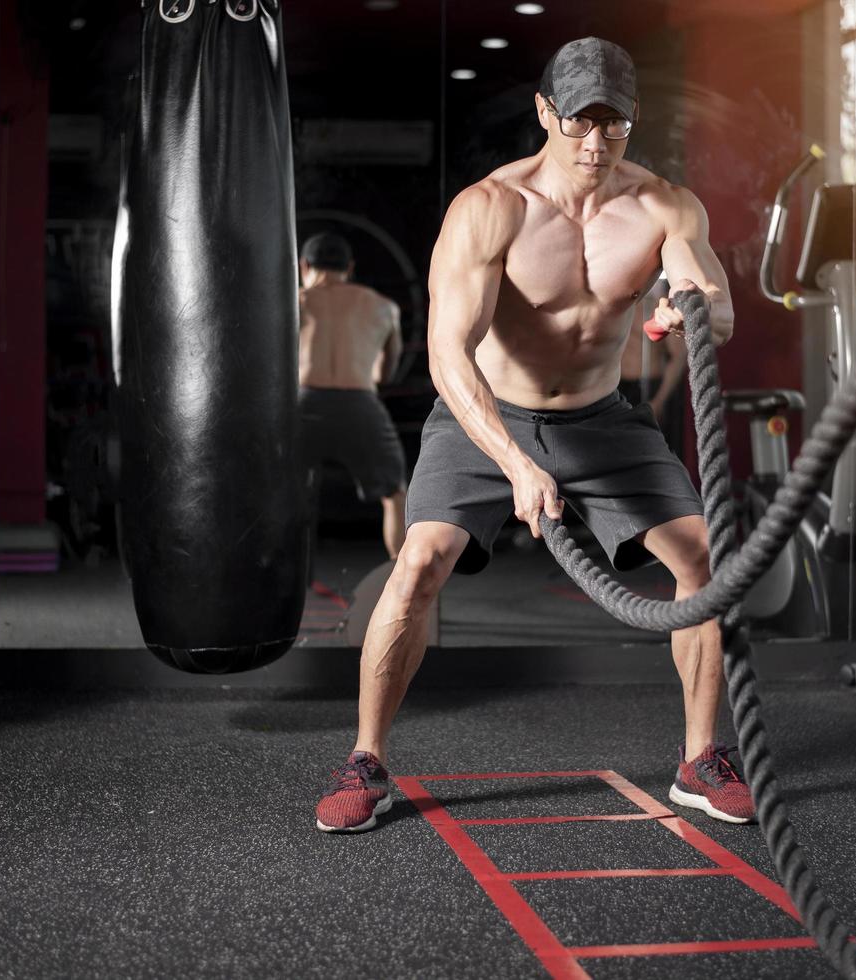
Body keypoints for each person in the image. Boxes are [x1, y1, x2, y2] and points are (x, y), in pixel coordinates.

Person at [315, 37, 749, 834]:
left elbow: (715, 304)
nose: (595, 143)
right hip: (488, 412)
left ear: (632, 120)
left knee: (704, 562)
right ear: (545, 113)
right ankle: (366, 760)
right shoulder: (492, 208)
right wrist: (513, 462)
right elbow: (448, 354)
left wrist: (689, 301)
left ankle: (699, 760)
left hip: (602, 417)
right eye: (579, 121)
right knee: (418, 564)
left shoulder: (664, 205)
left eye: (613, 124)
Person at [297, 231, 409, 560]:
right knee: (394, 494)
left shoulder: (293, 301)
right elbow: (385, 373)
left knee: (281, 495)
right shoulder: (384, 307)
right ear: (350, 266)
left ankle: (271, 584)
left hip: (303, 403)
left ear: (305, 265)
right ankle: (404, 589)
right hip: (360, 403)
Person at [618, 278, 688, 456]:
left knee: (652, 450)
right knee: (621, 452)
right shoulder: (619, 305)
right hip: (617, 388)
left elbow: (679, 356)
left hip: (649, 387)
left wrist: (659, 399)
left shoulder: (660, 309)